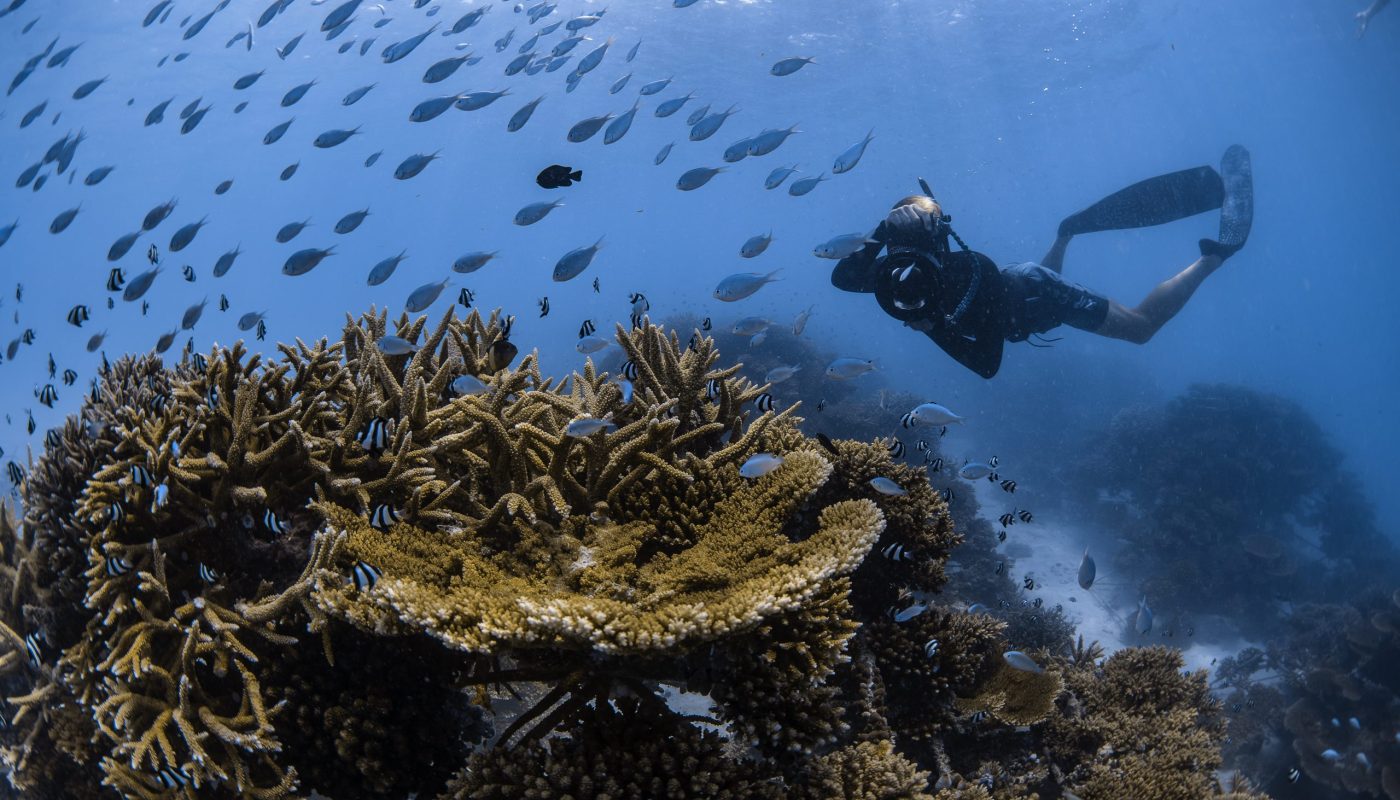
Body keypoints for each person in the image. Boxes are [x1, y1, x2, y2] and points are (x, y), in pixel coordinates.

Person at [830, 146, 1253, 379]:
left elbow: (987, 365)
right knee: (1035, 284)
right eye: (900, 242)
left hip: (1038, 292)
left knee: (1140, 328)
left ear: (940, 240)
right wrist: (882, 229)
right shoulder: (895, 277)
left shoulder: (972, 269)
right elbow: (842, 277)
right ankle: (1067, 232)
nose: (910, 259)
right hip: (1014, 293)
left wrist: (932, 326)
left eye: (917, 240)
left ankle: (1214, 257)